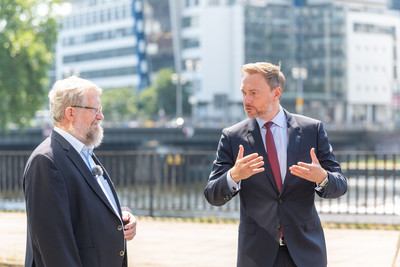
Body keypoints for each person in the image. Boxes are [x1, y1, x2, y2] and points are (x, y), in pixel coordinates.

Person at [204, 62, 347, 267]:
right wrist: (233, 176)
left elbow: (340, 185)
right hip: (256, 254)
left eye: (254, 93)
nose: (246, 100)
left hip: (306, 252)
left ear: (276, 93)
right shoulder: (232, 137)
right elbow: (212, 195)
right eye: (244, 92)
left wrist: (322, 178)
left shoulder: (311, 130)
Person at [23, 76, 137, 267]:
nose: (100, 116)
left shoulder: (84, 152)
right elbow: (55, 247)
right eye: (95, 110)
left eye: (100, 110)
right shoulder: (46, 161)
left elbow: (87, 206)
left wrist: (121, 215)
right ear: (71, 113)